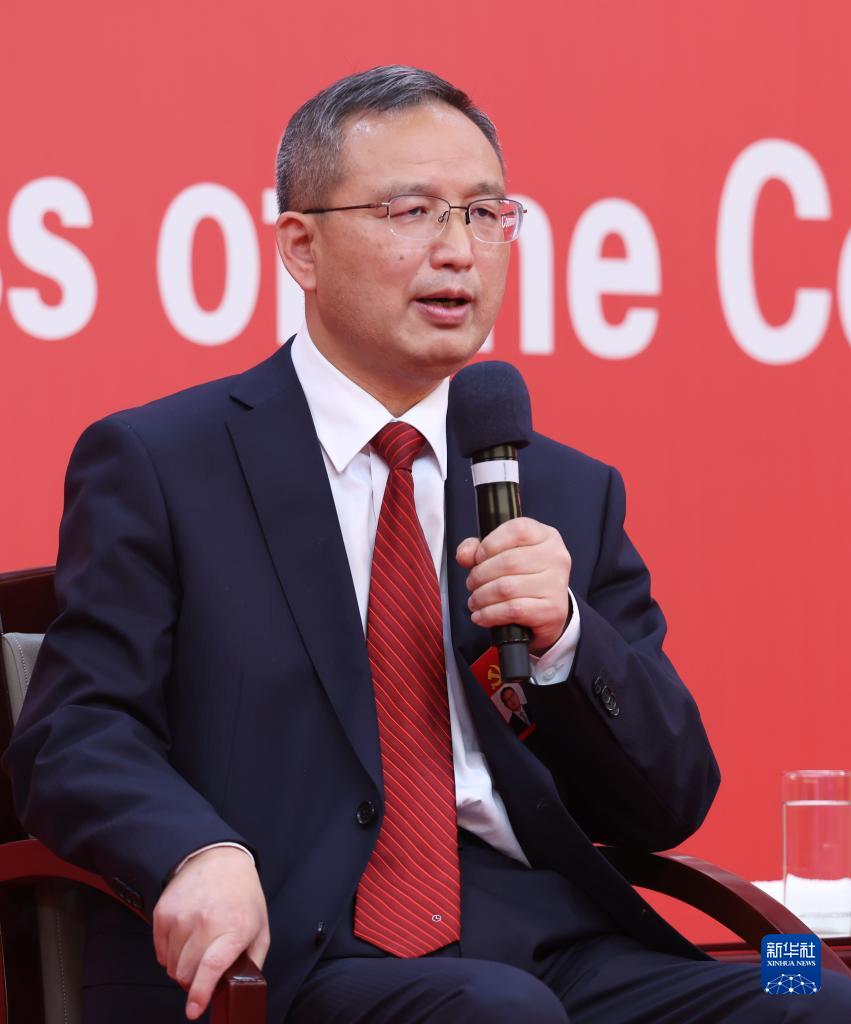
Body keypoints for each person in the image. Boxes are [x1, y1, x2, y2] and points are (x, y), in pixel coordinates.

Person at [5, 65, 851, 1024]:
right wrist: (194, 852)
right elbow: (76, 732)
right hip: (288, 949)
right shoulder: (165, 463)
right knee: (496, 1013)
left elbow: (671, 802)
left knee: (813, 994)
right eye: (411, 212)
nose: (457, 251)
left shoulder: (560, 488)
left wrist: (568, 641)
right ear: (301, 247)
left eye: (485, 214)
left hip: (553, 942)